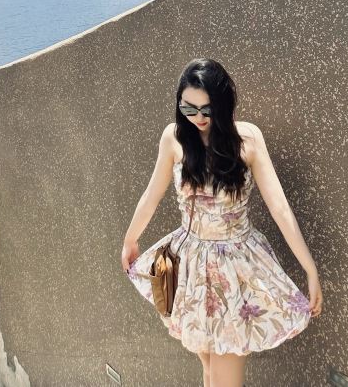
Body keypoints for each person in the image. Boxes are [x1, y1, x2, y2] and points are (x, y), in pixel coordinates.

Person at [121, 57, 323, 387]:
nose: (198, 118)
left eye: (207, 109)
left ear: (224, 103)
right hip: (189, 267)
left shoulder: (248, 139)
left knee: (222, 377)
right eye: (189, 108)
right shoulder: (174, 138)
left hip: (236, 269)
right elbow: (152, 195)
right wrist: (131, 239)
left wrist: (309, 269)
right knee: (209, 370)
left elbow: (280, 208)